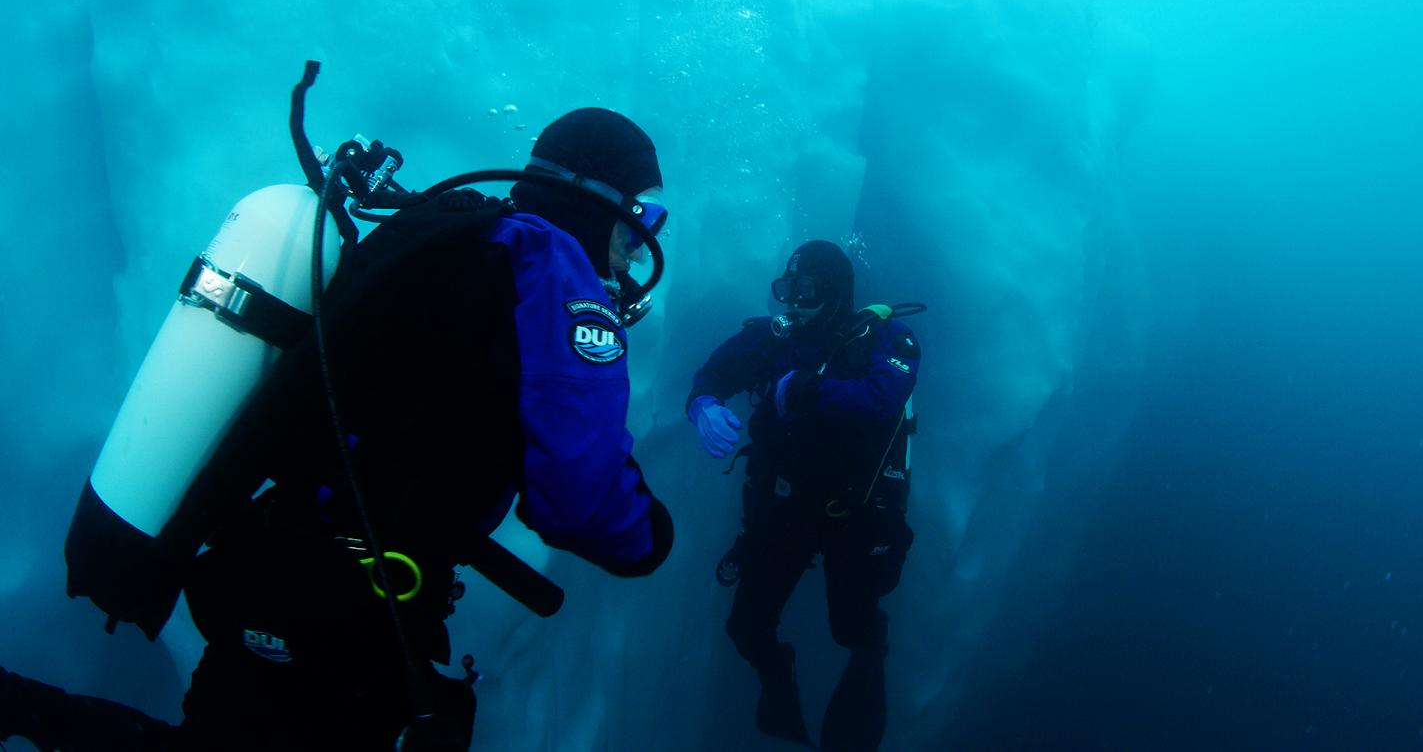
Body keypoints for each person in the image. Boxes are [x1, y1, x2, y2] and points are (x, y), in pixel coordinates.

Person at [2, 107, 672, 752]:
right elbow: (583, 501)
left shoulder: (452, 228)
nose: (638, 246)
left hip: (274, 562)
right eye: (641, 216)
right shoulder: (554, 269)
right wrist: (651, 535)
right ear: (592, 195)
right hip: (348, 613)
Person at [686, 241, 920, 752]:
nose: (791, 303)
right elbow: (712, 376)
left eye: (804, 291)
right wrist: (703, 406)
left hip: (853, 515)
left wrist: (805, 390)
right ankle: (778, 676)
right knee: (746, 628)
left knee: (851, 631)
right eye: (785, 290)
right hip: (783, 511)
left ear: (835, 294)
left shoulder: (888, 339)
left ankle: (869, 658)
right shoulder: (769, 341)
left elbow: (883, 399)